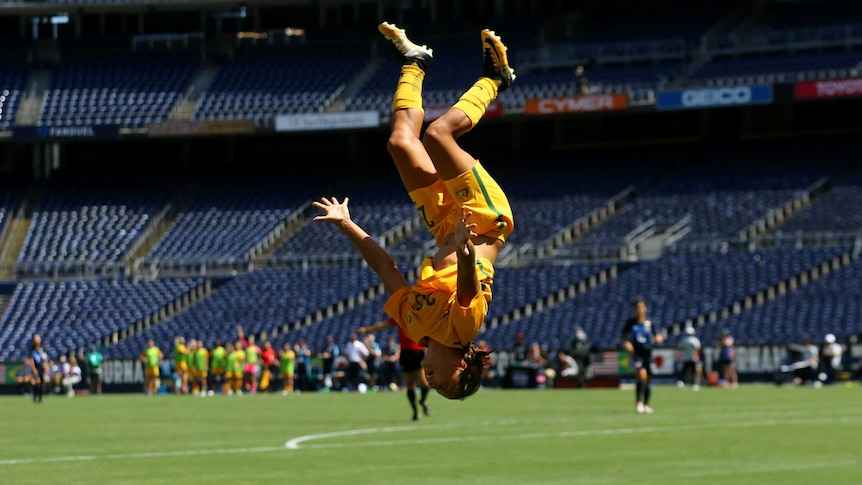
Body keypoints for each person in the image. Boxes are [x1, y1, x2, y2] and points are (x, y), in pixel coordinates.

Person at [313, 22, 515, 400]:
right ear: (460, 366)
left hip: (444, 225)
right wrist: (465, 249)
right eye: (442, 383)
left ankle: (414, 61)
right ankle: (495, 79)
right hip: (483, 220)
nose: (430, 380)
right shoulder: (463, 332)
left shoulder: (413, 324)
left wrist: (347, 224)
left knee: (400, 143)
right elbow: (469, 287)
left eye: (432, 387)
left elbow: (386, 268)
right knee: (438, 135)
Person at [360, 318, 431, 421]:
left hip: (417, 352)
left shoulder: (420, 314)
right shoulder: (400, 315)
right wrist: (367, 330)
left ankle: (422, 401)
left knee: (424, 384)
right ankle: (415, 411)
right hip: (406, 353)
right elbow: (383, 325)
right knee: (409, 384)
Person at [621, 299, 663, 413]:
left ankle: (646, 404)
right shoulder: (631, 323)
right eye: (637, 307)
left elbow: (658, 335)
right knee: (641, 375)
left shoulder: (650, 323)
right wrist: (627, 344)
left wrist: (658, 338)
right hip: (637, 354)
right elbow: (623, 337)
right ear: (634, 309)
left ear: (645, 308)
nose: (639, 310)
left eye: (642, 307)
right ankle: (638, 402)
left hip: (648, 353)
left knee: (649, 379)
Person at [677, 326, 703, 390]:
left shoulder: (685, 340)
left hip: (689, 358)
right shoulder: (694, 340)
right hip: (690, 358)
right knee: (689, 371)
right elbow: (698, 347)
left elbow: (680, 347)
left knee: (690, 371)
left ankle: (691, 383)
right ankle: (691, 383)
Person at [29, 334, 48, 403]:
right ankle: (35, 396)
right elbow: (31, 360)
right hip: (36, 368)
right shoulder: (32, 349)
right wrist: (34, 369)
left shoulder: (42, 349)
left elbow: (45, 360)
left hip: (41, 368)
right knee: (36, 382)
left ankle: (40, 398)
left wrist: (46, 369)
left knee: (42, 383)